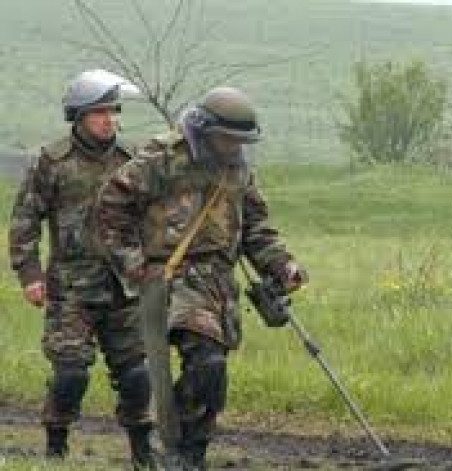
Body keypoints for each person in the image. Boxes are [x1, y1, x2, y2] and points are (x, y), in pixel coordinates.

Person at [94, 86, 307, 470]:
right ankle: (173, 449)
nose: (233, 147)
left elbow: (256, 228)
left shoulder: (237, 170)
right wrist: (133, 263)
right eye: (227, 138)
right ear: (205, 130)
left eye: (240, 141)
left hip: (218, 282)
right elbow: (111, 207)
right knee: (206, 360)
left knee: (212, 375)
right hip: (171, 278)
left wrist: (283, 266)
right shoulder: (163, 158)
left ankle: (190, 454)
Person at [8, 70, 155, 469]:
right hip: (71, 290)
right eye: (100, 113)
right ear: (79, 116)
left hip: (125, 287)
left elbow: (153, 217)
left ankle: (143, 453)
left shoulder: (132, 160)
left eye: (114, 112)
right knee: (71, 374)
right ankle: (56, 448)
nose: (110, 120)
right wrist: (30, 275)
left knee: (136, 375)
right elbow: (25, 221)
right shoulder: (53, 161)